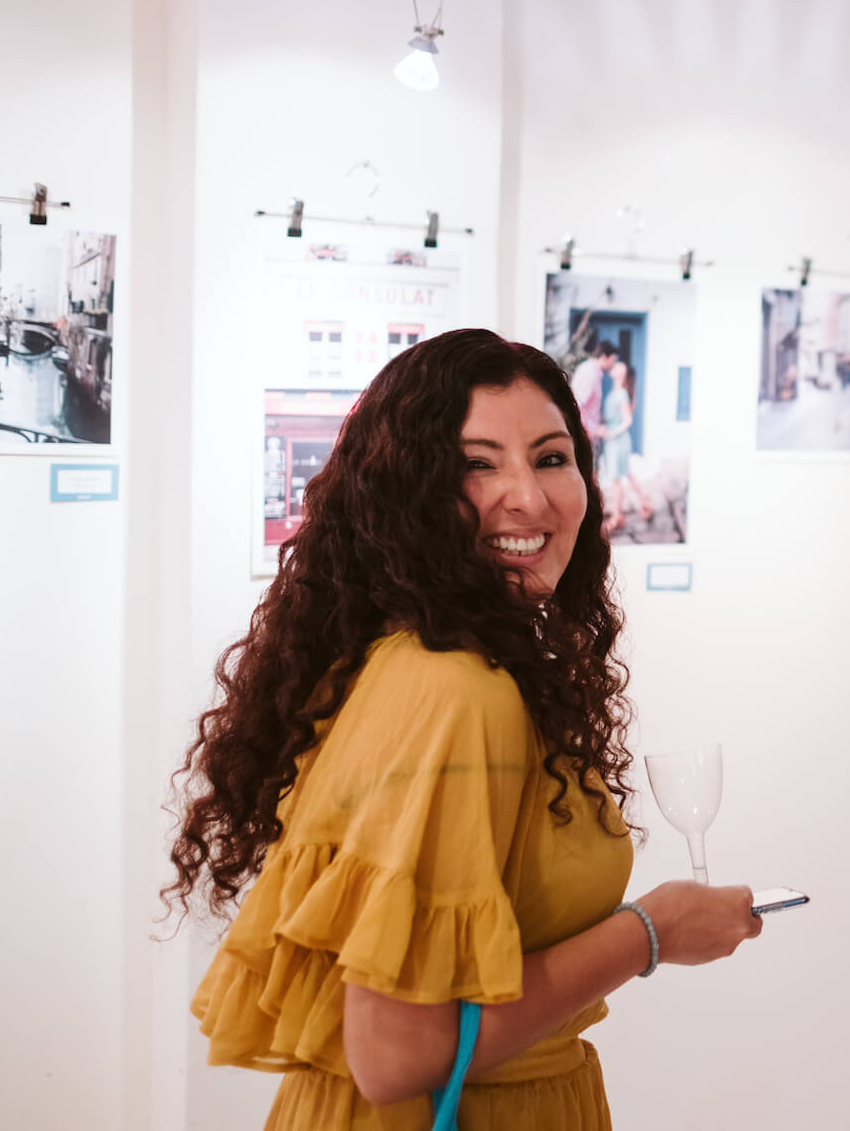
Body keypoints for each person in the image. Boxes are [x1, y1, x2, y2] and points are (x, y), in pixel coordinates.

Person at [164, 328, 760, 1130]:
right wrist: (651, 932)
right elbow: (395, 1055)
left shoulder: (415, 658)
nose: (530, 498)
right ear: (407, 495)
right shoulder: (459, 690)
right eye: (478, 464)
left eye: (552, 458)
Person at [599, 358, 652, 534]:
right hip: (612, 439)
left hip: (618, 440)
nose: (615, 367)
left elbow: (628, 420)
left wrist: (612, 433)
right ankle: (645, 504)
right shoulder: (614, 392)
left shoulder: (621, 394)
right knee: (627, 473)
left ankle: (616, 517)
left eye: (618, 366)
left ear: (622, 373)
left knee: (616, 479)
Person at [569, 340, 618, 447]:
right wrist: (595, 429)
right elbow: (577, 405)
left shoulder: (591, 370)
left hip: (587, 434)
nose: (613, 364)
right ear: (604, 357)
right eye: (613, 360)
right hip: (584, 436)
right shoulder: (591, 373)